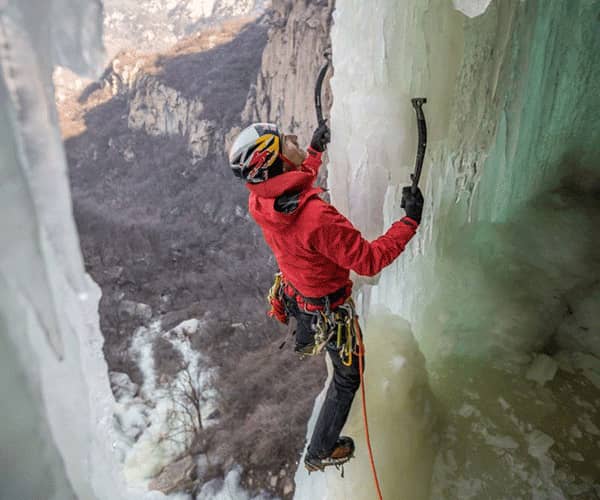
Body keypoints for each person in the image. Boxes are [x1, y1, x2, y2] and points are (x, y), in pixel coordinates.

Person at [228, 122, 423, 472]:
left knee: (310, 327)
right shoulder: (316, 218)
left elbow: (289, 184)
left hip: (300, 291)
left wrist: (315, 154)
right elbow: (368, 261)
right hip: (327, 305)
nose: (293, 139)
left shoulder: (260, 201)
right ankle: (319, 450)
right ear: (276, 162)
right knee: (348, 376)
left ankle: (305, 338)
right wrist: (409, 222)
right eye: (285, 141)